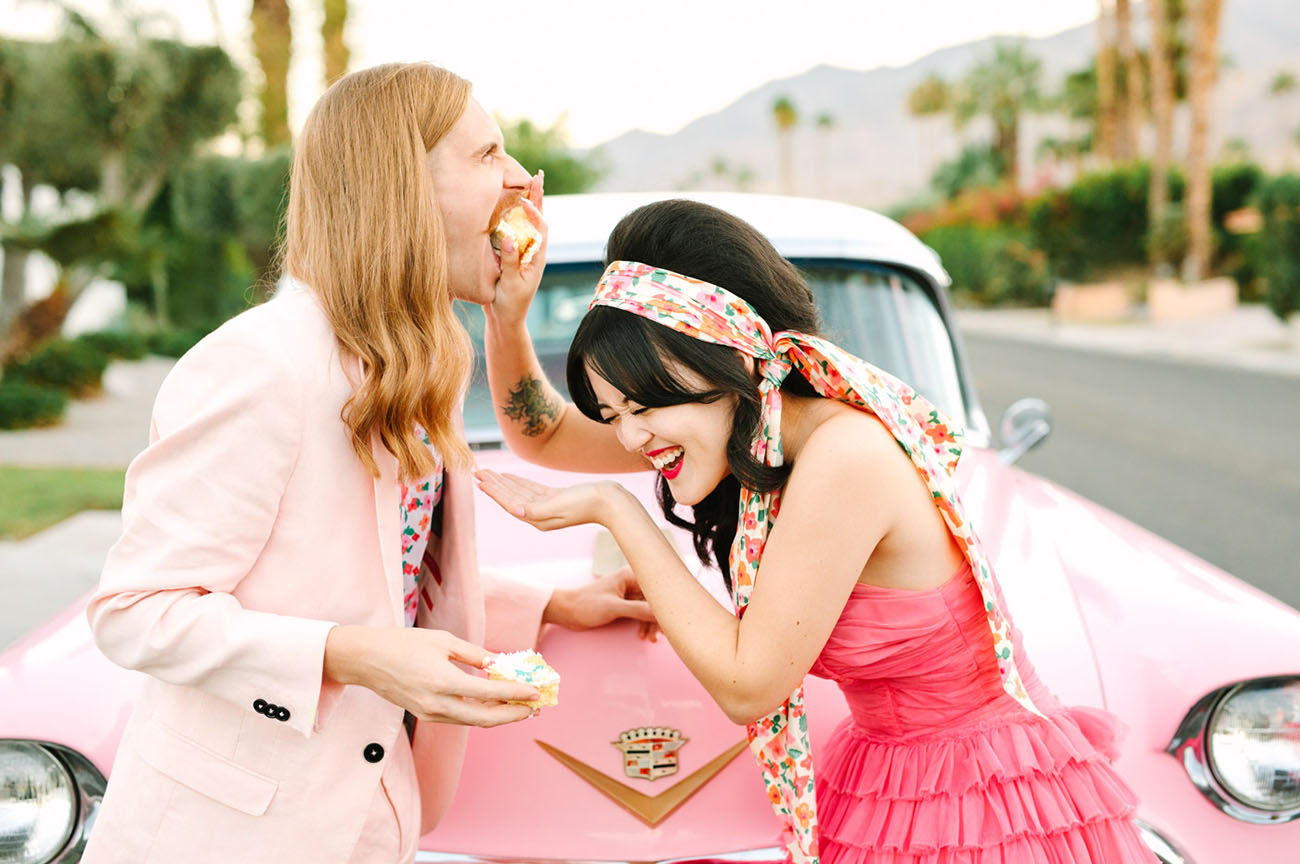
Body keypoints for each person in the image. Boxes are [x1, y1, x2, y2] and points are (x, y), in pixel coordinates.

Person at [82, 63, 652, 864]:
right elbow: (134, 610)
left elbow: (372, 582)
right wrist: (348, 657)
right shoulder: (258, 365)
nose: (526, 178)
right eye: (490, 154)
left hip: (373, 826)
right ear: (403, 186)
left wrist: (552, 603)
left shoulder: (429, 362)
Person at [476, 199, 1157, 864]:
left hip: (980, 799)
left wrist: (618, 511)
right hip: (891, 776)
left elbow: (750, 685)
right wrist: (506, 318)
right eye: (614, 410)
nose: (628, 434)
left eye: (645, 404)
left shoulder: (844, 456)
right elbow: (544, 432)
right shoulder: (742, 424)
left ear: (733, 363)